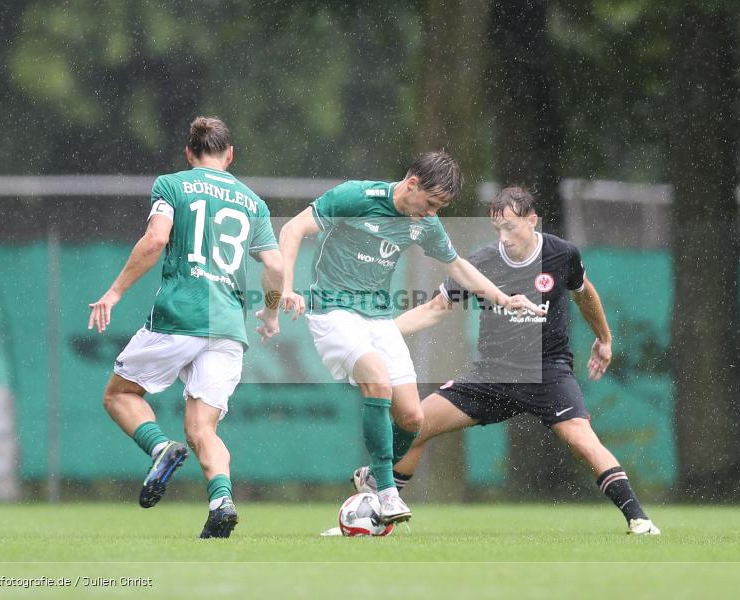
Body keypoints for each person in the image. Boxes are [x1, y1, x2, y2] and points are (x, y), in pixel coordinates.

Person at [352, 186, 661, 535]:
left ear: (532, 220)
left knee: (582, 440)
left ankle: (639, 519)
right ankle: (375, 512)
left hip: (548, 372)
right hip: (491, 375)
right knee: (415, 425)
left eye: (510, 227)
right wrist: (383, 333)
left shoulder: (562, 254)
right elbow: (435, 308)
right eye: (497, 228)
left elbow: (584, 293)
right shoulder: (482, 262)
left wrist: (604, 338)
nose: (503, 237)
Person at [278, 153, 543, 525]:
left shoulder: (425, 223)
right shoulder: (357, 197)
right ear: (412, 184)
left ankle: (372, 476)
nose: (431, 213)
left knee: (412, 417)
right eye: (430, 203)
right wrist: (287, 287)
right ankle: (386, 493)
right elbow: (292, 229)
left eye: (439, 208)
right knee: (377, 379)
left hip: (377, 317)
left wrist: (502, 298)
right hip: (333, 311)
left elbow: (457, 266)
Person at [88, 116, 283, 539]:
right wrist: (270, 314)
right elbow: (276, 266)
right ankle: (221, 500)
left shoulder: (173, 185)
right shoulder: (253, 202)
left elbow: (156, 240)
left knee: (119, 394)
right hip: (228, 325)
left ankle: (159, 448)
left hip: (182, 314)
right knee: (202, 429)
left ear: (189, 153)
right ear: (230, 155)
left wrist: (115, 292)